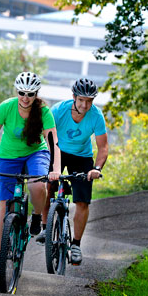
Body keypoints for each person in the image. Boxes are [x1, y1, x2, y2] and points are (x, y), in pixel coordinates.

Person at [0, 72, 61, 270]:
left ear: (36, 94)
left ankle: (38, 216)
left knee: (37, 184)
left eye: (30, 94)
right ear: (17, 91)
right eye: (22, 92)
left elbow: (53, 143)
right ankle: (1, 251)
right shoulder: (6, 107)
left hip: (35, 153)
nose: (25, 97)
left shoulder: (43, 112)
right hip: (8, 155)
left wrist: (55, 169)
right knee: (5, 205)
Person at [36, 78, 108, 266]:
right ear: (74, 97)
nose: (85, 105)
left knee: (82, 201)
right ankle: (45, 226)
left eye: (89, 101)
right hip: (57, 150)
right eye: (81, 100)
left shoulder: (96, 116)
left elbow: (103, 147)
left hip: (82, 157)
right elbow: (45, 136)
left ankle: (75, 244)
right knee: (48, 185)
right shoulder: (59, 111)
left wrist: (96, 169)